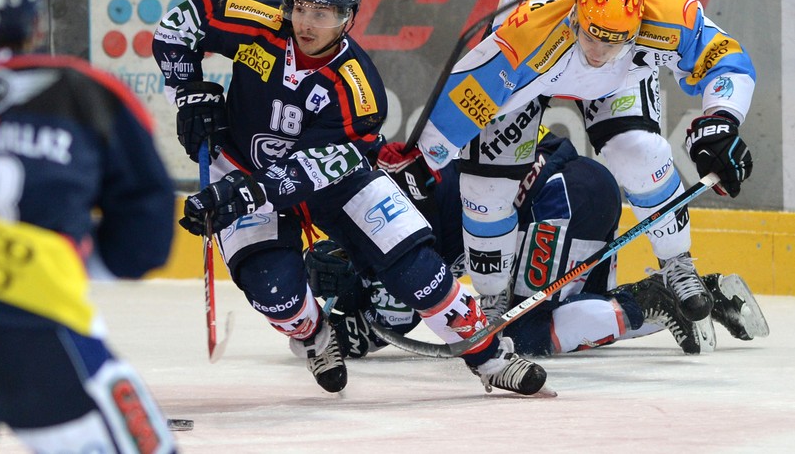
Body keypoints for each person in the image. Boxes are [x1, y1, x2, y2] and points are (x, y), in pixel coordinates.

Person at [151, 0, 548, 396]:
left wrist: (240, 195)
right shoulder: (256, 18)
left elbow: (320, 168)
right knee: (276, 295)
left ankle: (490, 356)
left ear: (348, 18)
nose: (306, 22)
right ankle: (316, 335)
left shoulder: (358, 89)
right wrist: (188, 92)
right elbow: (177, 27)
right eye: (300, 7)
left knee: (419, 270)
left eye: (322, 13)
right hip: (240, 166)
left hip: (331, 182)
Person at [387, 0, 754, 329]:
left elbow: (727, 58)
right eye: (593, 36)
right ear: (576, 16)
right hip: (535, 63)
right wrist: (423, 158)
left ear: (638, 26)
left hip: (621, 74)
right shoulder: (527, 31)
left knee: (640, 152)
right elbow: (466, 96)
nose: (598, 53)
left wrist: (722, 122)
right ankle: (493, 295)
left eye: (613, 42)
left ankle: (677, 262)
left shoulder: (669, 15)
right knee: (485, 189)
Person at [0, 0, 178, 453]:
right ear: (38, 24)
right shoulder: (85, 88)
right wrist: (86, 261)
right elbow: (147, 226)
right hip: (39, 333)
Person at [307, 127, 768, 359]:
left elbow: (390, 321)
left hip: (561, 198)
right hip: (575, 190)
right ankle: (701, 296)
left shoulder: (383, 221)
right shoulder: (377, 187)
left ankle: (656, 298)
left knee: (519, 335)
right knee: (581, 315)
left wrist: (334, 325)